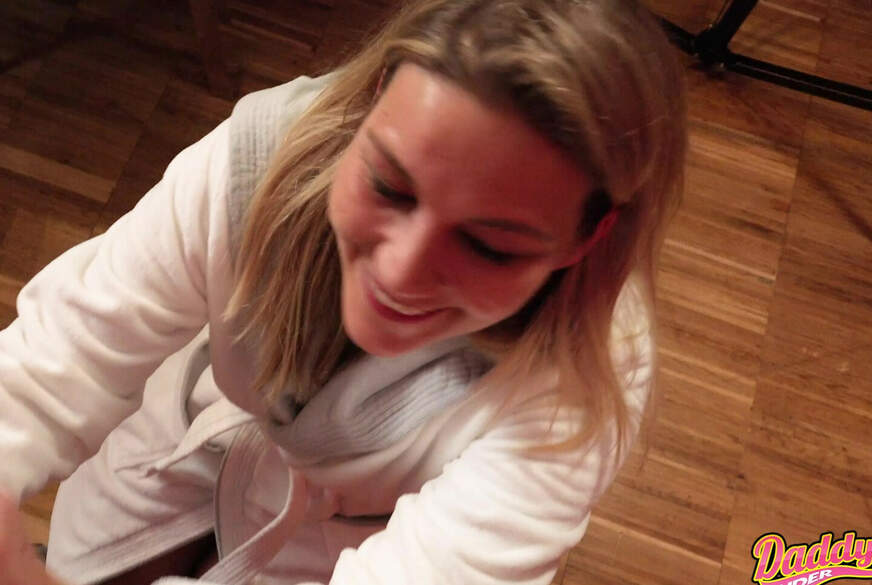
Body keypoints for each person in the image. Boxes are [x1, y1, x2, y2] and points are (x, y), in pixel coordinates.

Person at [0, 0, 686, 583]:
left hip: (369, 533)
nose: (401, 272)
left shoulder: (592, 374)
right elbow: (56, 360)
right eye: (388, 186)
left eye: (489, 246)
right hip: (201, 427)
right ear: (372, 101)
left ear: (586, 240)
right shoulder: (257, 157)